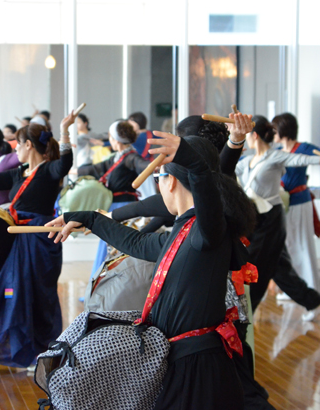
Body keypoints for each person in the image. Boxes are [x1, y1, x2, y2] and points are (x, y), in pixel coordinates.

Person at [47, 133, 257, 410]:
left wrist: (191, 160)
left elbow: (207, 192)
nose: (157, 186)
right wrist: (86, 217)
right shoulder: (183, 231)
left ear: (171, 182)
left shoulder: (206, 233)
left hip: (199, 368)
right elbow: (135, 242)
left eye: (158, 178)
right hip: (182, 360)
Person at [0, 112, 75, 367]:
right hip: (19, 239)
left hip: (41, 240)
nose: (15, 149)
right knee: (10, 290)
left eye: (18, 144)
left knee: (39, 295)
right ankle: (13, 348)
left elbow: (65, 163)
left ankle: (41, 349)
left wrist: (64, 129)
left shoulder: (50, 170)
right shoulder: (20, 171)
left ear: (29, 145)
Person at [235, 116, 320, 313]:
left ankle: (247, 312)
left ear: (254, 135)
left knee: (265, 262)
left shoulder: (277, 155)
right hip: (258, 219)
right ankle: (314, 301)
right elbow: (225, 166)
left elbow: (304, 159)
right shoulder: (247, 161)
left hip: (277, 216)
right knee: (278, 266)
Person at [272, 112, 320, 294]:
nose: (272, 133)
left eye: (275, 129)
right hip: (284, 204)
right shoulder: (276, 153)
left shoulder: (303, 148)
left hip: (301, 203)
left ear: (283, 129)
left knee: (303, 246)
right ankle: (308, 286)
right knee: (290, 247)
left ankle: (312, 291)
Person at [76, 120, 150, 277]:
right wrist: (76, 171)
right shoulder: (117, 157)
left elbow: (141, 164)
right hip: (115, 208)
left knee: (118, 249)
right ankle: (100, 287)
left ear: (115, 139)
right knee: (108, 247)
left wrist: (154, 166)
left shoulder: (130, 157)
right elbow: (97, 168)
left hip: (125, 209)